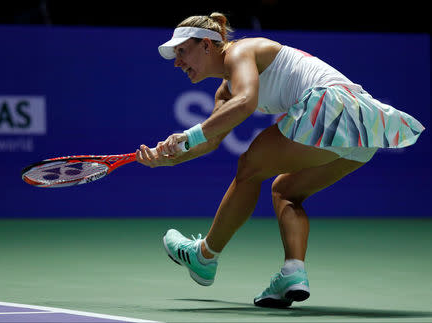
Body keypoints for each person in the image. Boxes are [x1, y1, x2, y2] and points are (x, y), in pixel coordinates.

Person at [135, 13, 425, 308]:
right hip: (362, 129)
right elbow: (210, 140)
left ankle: (205, 257)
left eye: (183, 51)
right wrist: (168, 158)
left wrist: (188, 134)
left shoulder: (240, 51)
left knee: (249, 165)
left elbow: (247, 101)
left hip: (332, 104)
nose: (177, 62)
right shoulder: (224, 90)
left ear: (208, 45)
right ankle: (292, 272)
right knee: (285, 191)